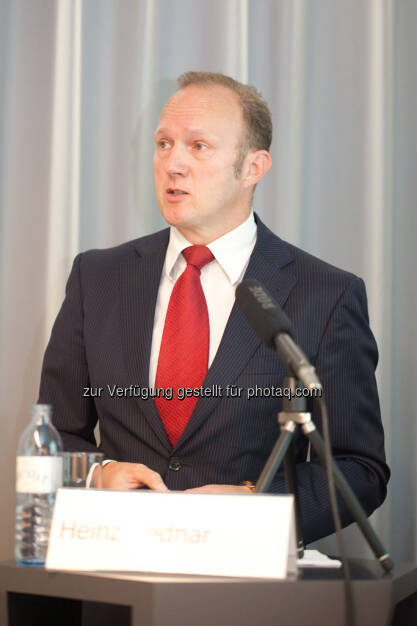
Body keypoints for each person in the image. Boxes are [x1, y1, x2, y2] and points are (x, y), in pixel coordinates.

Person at [39, 72, 389, 544]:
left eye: (198, 146)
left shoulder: (325, 295)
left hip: (247, 591)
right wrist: (97, 476)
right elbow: (53, 436)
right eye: (164, 144)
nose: (173, 164)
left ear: (253, 168)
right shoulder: (97, 278)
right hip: (115, 578)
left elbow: (358, 468)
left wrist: (257, 501)